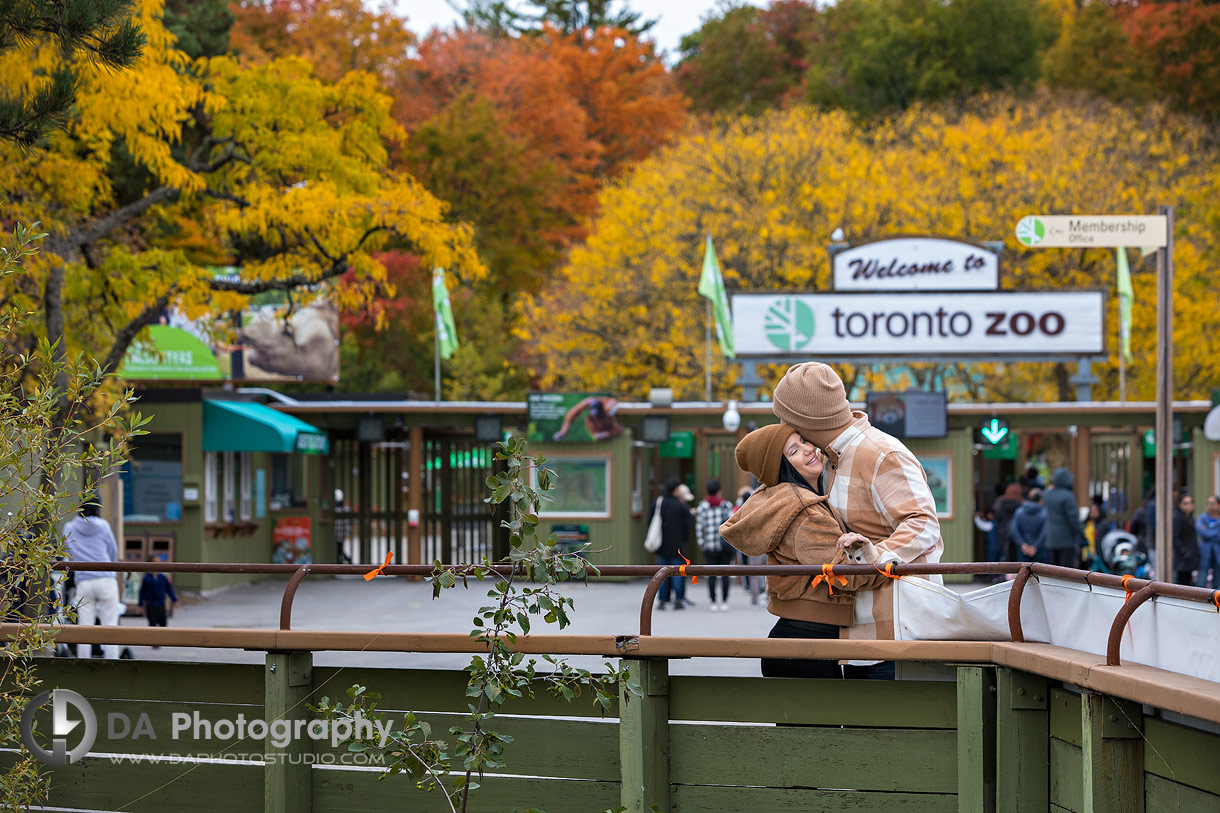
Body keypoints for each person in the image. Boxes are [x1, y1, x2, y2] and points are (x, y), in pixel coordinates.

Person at [771, 362, 942, 680]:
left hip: (899, 633)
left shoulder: (880, 454)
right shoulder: (830, 458)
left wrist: (873, 558)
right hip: (860, 632)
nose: (782, 425)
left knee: (889, 728)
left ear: (803, 419)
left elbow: (923, 524)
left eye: (784, 418)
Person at [720, 423, 888, 678]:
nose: (809, 450)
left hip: (798, 639)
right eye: (793, 451)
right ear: (782, 467)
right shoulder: (808, 514)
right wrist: (883, 558)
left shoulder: (780, 499)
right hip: (809, 645)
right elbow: (848, 575)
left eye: (804, 441)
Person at [63, 502, 121, 659]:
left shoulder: (68, 527)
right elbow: (113, 551)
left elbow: (67, 552)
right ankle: (113, 664)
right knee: (110, 625)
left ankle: (84, 664)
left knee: (85, 628)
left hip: (83, 581)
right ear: (97, 508)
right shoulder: (103, 525)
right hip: (105, 579)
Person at [695, 480, 735, 611]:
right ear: (719, 491)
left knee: (711, 574)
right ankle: (724, 601)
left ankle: (713, 601)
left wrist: (702, 544)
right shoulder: (726, 505)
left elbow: (699, 528)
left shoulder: (702, 507)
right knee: (725, 574)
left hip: (709, 546)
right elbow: (731, 527)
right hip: (724, 546)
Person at [655, 478, 693, 610]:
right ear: (676, 489)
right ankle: (678, 599)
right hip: (677, 545)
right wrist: (684, 538)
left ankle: (661, 600)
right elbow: (687, 525)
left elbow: (650, 521)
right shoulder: (681, 506)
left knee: (661, 573)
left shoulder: (659, 503)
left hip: (661, 544)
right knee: (677, 573)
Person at [1044, 468, 1088, 569]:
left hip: (1051, 540)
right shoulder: (1068, 496)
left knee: (1052, 572)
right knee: (1066, 573)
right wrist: (1082, 536)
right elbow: (1073, 519)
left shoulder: (1047, 494)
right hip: (1067, 541)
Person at [137, 557, 178, 649]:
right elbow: (142, 592)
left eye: (159, 562)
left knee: (163, 622)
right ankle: (154, 642)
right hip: (150, 604)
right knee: (152, 623)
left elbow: (169, 589)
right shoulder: (147, 578)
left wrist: (174, 600)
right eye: (154, 562)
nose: (157, 564)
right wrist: (140, 604)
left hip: (160, 604)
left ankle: (161, 639)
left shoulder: (163, 577)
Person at [550, 396, 624, 441]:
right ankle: (596, 434)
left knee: (620, 430)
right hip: (596, 424)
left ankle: (599, 434)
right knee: (589, 418)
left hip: (606, 425)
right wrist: (563, 432)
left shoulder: (611, 407)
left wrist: (607, 433)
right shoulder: (590, 402)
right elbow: (572, 413)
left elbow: (617, 429)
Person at [1010, 489, 1047, 563]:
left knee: (1023, 572)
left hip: (1023, 549)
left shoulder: (1019, 512)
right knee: (1039, 573)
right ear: (1040, 499)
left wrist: (1022, 544)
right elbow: (1044, 532)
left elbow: (1014, 529)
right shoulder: (1044, 513)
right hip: (1039, 549)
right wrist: (1035, 546)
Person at [991, 482, 1024, 562]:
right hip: (1017, 534)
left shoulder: (999, 503)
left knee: (1004, 559)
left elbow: (996, 516)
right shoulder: (1021, 504)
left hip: (1003, 532)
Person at [1171, 494, 1199, 586]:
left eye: (1190, 503)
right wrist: (1184, 552)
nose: (1188, 505)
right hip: (1182, 557)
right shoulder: (1178, 517)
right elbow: (1175, 537)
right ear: (1180, 505)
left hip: (1190, 556)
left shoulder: (1190, 517)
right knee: (1182, 584)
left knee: (1189, 582)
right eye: (1185, 503)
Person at [1195, 495, 1220, 589]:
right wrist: (1216, 533)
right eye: (1209, 503)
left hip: (1218, 552)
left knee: (1217, 579)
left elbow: (1206, 533)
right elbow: (1201, 531)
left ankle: (1216, 601)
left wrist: (1207, 531)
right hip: (1204, 551)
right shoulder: (1202, 518)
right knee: (1202, 577)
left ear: (1218, 505)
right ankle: (1199, 599)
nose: (1211, 506)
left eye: (1213, 503)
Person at [1082, 501, 1112, 570]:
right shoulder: (1084, 524)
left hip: (1099, 555)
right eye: (1091, 510)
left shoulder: (1104, 524)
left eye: (1095, 510)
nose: (1093, 512)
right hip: (1086, 555)